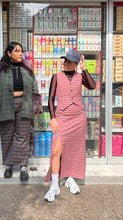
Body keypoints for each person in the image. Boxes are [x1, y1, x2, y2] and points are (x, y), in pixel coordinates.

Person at [44, 51, 96, 202]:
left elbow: (92, 86)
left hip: (79, 118)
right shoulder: (56, 76)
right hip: (62, 118)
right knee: (56, 151)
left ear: (76, 64)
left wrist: (84, 69)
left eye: (68, 61)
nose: (65, 63)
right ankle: (54, 185)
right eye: (64, 61)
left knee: (74, 150)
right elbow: (51, 99)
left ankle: (70, 179)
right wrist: (53, 118)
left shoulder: (80, 76)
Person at [0, 42, 43, 181]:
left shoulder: (27, 68)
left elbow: (35, 87)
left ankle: (23, 166)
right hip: (6, 105)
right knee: (7, 136)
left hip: (25, 104)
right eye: (17, 51)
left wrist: (36, 106)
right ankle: (9, 165)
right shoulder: (1, 69)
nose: (20, 54)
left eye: (21, 51)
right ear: (9, 53)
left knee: (23, 136)